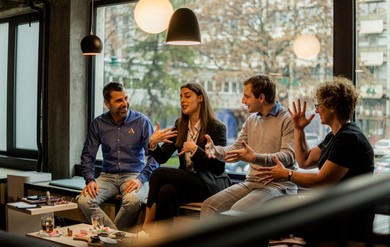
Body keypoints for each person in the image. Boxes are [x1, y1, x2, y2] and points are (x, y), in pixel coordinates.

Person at [255, 76, 375, 240]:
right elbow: (304, 160)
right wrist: (299, 129)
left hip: (349, 215)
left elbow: (322, 181)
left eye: (319, 105)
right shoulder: (334, 136)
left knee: (274, 214)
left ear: (332, 106)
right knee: (271, 207)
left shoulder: (349, 138)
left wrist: (286, 174)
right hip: (335, 207)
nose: (317, 110)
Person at [139, 82, 231, 236]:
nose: (182, 100)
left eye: (187, 96)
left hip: (209, 183)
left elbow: (218, 168)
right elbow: (162, 157)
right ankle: (162, 240)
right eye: (181, 97)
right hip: (189, 183)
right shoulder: (180, 124)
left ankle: (146, 228)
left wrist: (197, 151)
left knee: (158, 174)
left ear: (200, 98)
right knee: (165, 192)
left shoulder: (217, 127)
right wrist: (153, 144)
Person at [200, 74, 297, 219]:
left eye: (247, 96)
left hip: (279, 186)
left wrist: (254, 157)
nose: (243, 101)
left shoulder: (287, 119)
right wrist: (216, 150)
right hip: (251, 182)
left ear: (261, 98)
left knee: (236, 212)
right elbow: (235, 150)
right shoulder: (251, 120)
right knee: (209, 206)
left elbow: (288, 156)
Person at [78, 81, 158, 231]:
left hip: (134, 175)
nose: (125, 103)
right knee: (84, 201)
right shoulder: (98, 124)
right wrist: (90, 179)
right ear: (107, 104)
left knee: (133, 201)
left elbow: (155, 158)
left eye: (126, 98)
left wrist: (141, 179)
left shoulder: (142, 122)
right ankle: (114, 236)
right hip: (107, 176)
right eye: (119, 100)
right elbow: (88, 155)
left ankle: (110, 239)